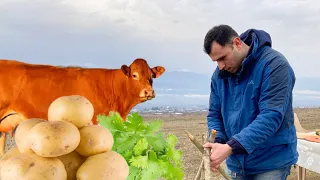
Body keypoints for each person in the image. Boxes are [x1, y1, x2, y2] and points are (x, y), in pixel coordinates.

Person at [202, 24, 298, 180]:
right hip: (236, 163)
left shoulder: (274, 65)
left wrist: (230, 147)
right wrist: (219, 141)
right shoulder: (220, 75)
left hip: (270, 162)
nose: (221, 66)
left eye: (222, 58)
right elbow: (215, 114)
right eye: (215, 61)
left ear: (238, 43)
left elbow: (271, 116)